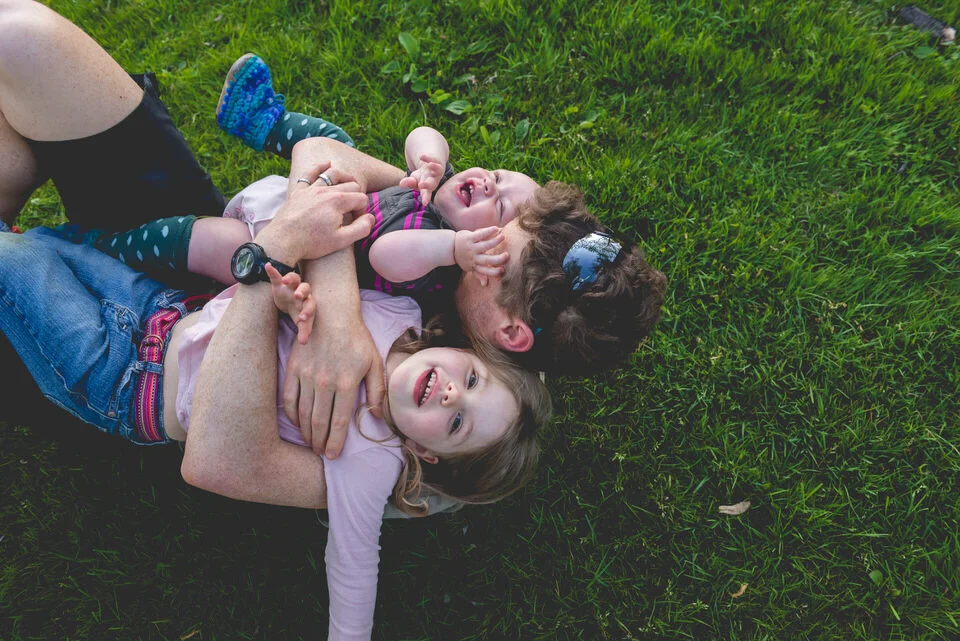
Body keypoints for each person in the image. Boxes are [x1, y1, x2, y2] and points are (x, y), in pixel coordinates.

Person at [0, 0, 666, 461]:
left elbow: (223, 459)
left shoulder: (458, 412)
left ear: (509, 330)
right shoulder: (470, 256)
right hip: (201, 251)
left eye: (499, 244)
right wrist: (339, 310)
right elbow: (323, 158)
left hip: (124, 354)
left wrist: (290, 252)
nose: (484, 228)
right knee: (21, 36)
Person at [0, 166, 551, 640]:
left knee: (15, 262)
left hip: (125, 383)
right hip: (162, 309)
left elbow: (355, 564)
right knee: (52, 244)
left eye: (456, 423)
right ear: (465, 351)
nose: (455, 393)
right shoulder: (403, 316)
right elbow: (339, 258)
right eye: (474, 380)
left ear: (426, 454)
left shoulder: (371, 459)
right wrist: (292, 299)